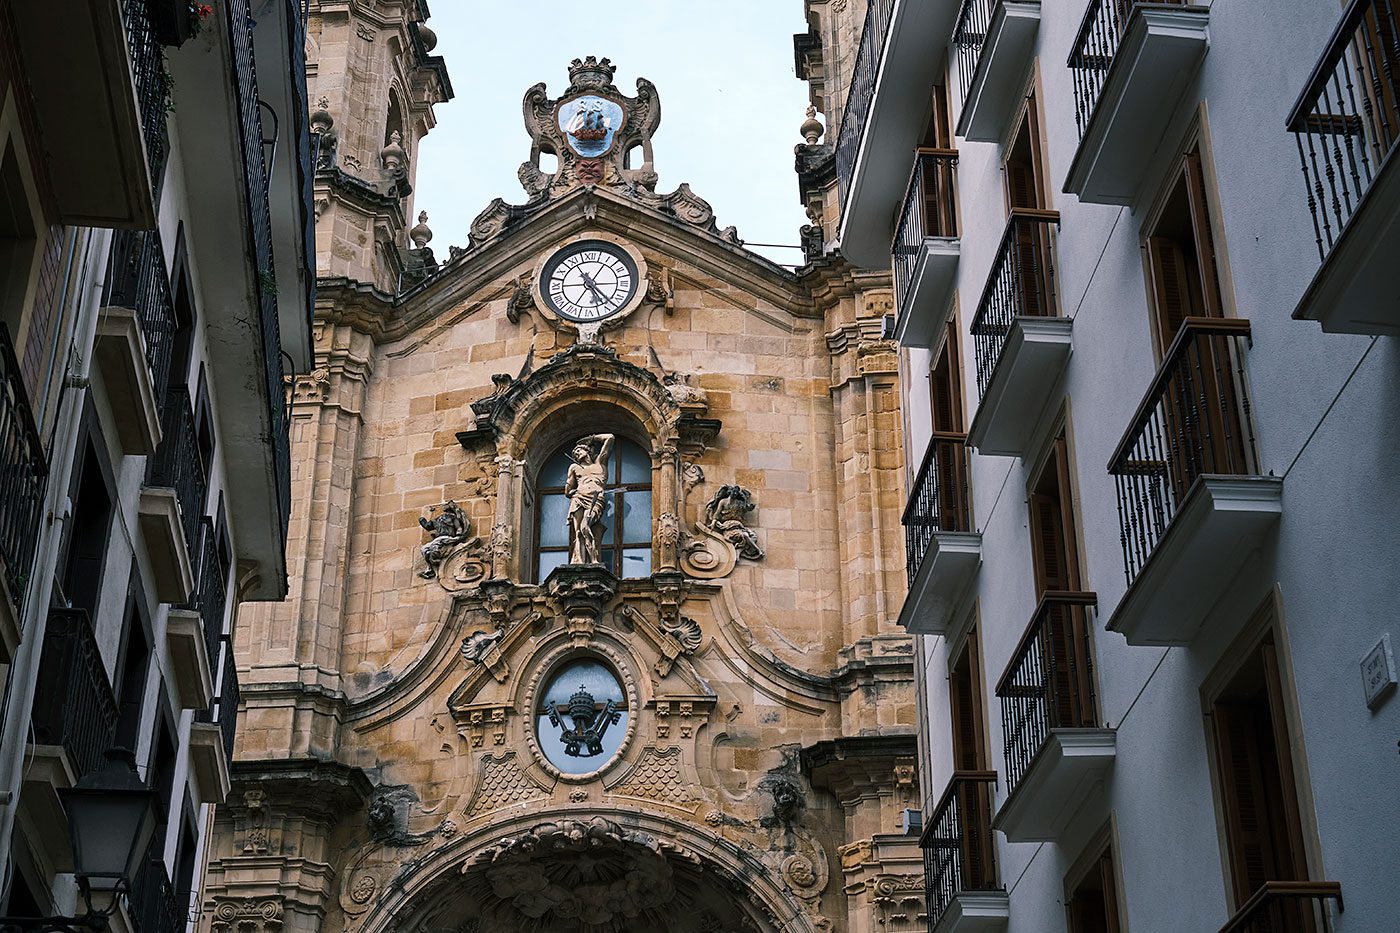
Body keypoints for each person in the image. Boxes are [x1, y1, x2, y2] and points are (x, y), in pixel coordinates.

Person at [564, 433, 614, 564]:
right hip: (578, 498)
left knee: (586, 526)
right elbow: (567, 490)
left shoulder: (600, 463)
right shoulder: (574, 467)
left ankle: (594, 558)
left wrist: (592, 438)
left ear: (587, 450)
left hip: (596, 500)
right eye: (574, 454)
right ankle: (579, 561)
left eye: (578, 451)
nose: (576, 454)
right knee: (579, 532)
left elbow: (610, 438)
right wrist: (571, 491)